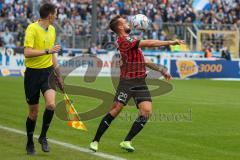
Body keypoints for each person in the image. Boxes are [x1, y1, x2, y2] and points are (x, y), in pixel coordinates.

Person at [89, 15, 184, 152]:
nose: (128, 23)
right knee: (115, 110)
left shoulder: (130, 41)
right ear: (120, 27)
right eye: (125, 22)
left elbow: (143, 61)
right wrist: (171, 42)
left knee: (146, 111)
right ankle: (95, 141)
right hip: (127, 82)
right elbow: (150, 43)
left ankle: (126, 141)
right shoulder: (124, 40)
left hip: (140, 81)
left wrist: (161, 69)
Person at [24, 3, 63, 155]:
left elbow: (53, 55)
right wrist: (48, 50)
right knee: (33, 113)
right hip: (32, 74)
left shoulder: (52, 30)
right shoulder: (32, 28)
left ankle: (43, 137)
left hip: (47, 73)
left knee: (51, 105)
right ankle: (29, 142)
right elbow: (27, 52)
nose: (57, 16)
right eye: (56, 13)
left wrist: (58, 75)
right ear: (50, 15)